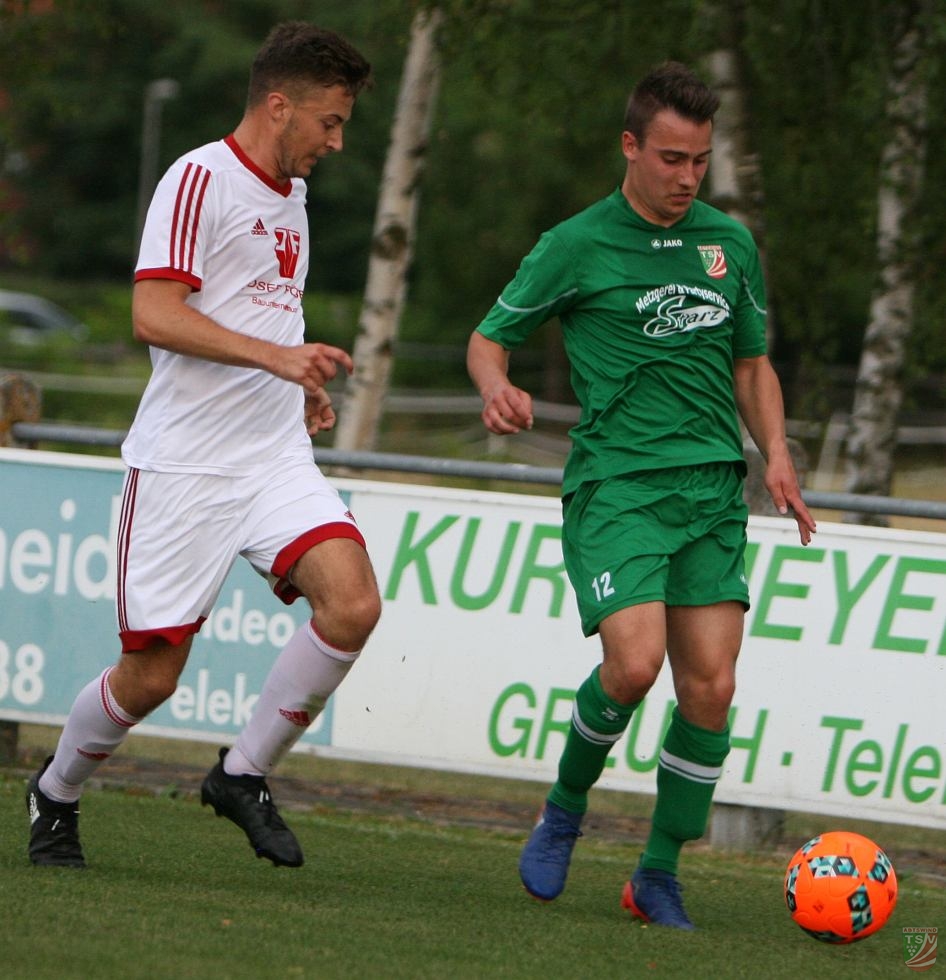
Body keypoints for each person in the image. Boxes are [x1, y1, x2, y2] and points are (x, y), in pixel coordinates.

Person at [466, 61, 816, 929]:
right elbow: (488, 337)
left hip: (711, 490)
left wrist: (775, 451)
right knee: (633, 666)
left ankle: (657, 873)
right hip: (619, 486)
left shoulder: (728, 244)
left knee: (711, 689)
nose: (686, 177)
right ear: (630, 147)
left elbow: (751, 361)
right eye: (670, 158)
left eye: (698, 161)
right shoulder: (575, 244)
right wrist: (495, 386)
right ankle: (563, 811)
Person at [26, 22, 380, 870]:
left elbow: (262, 313)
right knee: (150, 678)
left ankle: (242, 772)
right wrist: (274, 357)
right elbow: (155, 313)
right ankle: (56, 791)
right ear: (278, 102)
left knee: (355, 603)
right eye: (329, 122)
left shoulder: (292, 195)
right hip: (184, 466)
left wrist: (301, 384)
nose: (335, 141)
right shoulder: (197, 178)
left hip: (270, 458)